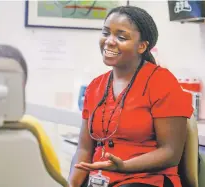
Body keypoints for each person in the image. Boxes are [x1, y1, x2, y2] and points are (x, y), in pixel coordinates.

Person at [68, 5, 193, 187]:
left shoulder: (162, 82)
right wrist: (72, 183)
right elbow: (84, 148)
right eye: (105, 33)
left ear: (142, 46)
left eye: (121, 37)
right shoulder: (95, 86)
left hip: (147, 180)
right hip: (101, 180)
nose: (109, 41)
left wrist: (124, 166)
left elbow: (171, 152)